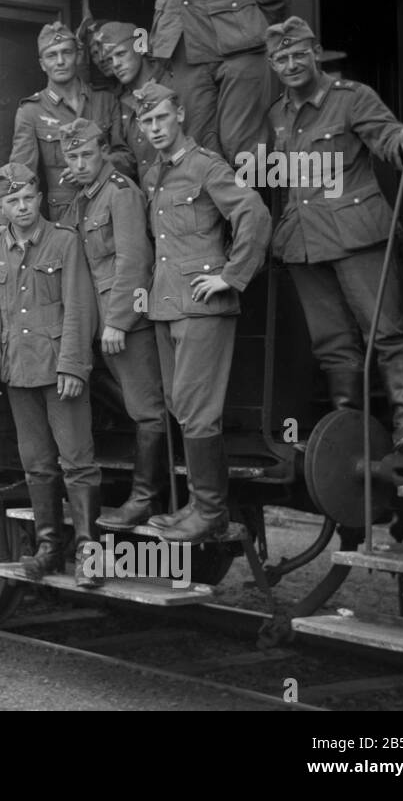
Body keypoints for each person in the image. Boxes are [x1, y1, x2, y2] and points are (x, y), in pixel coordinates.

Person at [264, 17, 403, 451]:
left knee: (385, 331)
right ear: (272, 65)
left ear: (316, 53)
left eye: (299, 53)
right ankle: (349, 437)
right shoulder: (276, 115)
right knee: (332, 344)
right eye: (282, 57)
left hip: (356, 234)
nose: (292, 63)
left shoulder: (352, 98)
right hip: (302, 242)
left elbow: (387, 136)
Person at [133, 81, 270, 543]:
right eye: (146, 121)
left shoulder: (206, 166)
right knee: (180, 405)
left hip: (203, 306)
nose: (154, 128)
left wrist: (232, 277)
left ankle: (210, 512)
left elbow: (253, 213)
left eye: (161, 119)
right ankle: (196, 504)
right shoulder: (153, 175)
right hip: (167, 304)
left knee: (197, 409)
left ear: (180, 117)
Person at [0, 163, 102, 586]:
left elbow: (79, 306)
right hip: (18, 369)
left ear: (40, 198)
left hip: (59, 369)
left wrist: (73, 365)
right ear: (2, 206)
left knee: (77, 463)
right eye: (13, 201)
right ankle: (49, 549)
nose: (23, 206)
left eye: (28, 197)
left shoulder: (64, 242)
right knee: (37, 466)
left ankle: (89, 555)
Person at [98, 0, 298, 164]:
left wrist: (262, 21)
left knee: (243, 148)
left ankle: (251, 207)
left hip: (238, 49)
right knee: (197, 149)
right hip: (185, 52)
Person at [57, 118, 171, 530]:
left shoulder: (120, 193)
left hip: (124, 323)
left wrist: (119, 322)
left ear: (104, 150)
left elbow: (134, 261)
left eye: (88, 154)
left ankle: (144, 498)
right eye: (73, 156)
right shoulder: (85, 196)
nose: (82, 162)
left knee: (147, 410)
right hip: (97, 321)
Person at [9, 22, 132, 222]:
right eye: (51, 55)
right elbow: (21, 175)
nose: (60, 61)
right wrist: (5, 228)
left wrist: (97, 165)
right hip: (65, 219)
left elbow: (128, 159)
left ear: (79, 56)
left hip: (109, 211)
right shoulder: (31, 111)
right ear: (42, 64)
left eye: (66, 52)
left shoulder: (105, 100)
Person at [98, 21, 161, 183]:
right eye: (109, 60)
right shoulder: (120, 102)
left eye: (120, 54)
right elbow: (128, 160)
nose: (116, 65)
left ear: (140, 48)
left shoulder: (171, 86)